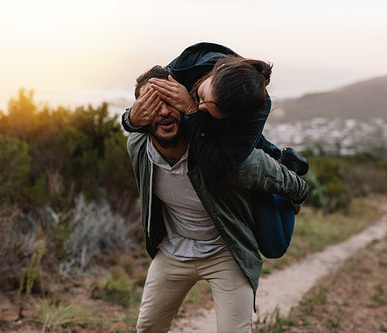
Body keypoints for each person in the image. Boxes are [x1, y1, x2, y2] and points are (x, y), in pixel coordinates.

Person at [127, 65, 308, 332]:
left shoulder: (220, 154)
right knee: (148, 327)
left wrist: (300, 192)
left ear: (183, 101)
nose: (163, 111)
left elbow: (273, 175)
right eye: (152, 104)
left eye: (169, 101)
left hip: (225, 251)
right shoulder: (138, 147)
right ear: (140, 114)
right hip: (174, 249)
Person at [123, 42, 308, 258]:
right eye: (200, 97)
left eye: (206, 108)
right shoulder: (183, 67)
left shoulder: (257, 107)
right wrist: (130, 120)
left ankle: (286, 170)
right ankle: (278, 156)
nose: (200, 105)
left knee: (273, 247)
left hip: (234, 153)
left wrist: (192, 111)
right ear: (212, 74)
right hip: (209, 139)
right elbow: (146, 101)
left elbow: (216, 167)